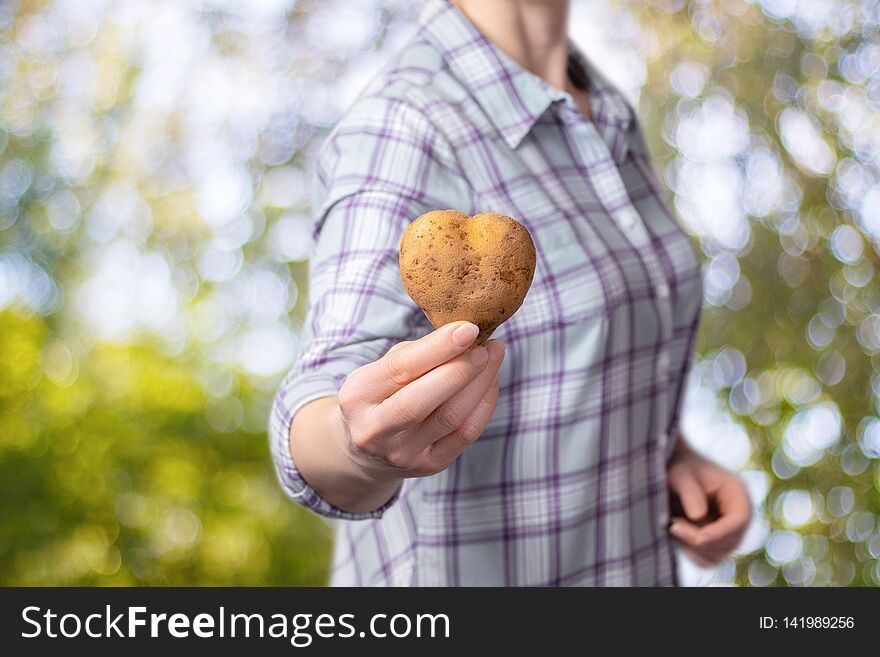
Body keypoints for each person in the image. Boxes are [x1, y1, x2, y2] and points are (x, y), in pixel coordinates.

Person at [269, 0, 751, 586]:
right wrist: (354, 447)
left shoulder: (605, 112)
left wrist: (667, 455)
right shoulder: (405, 123)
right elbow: (325, 395)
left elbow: (594, 350)